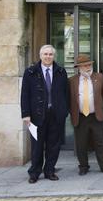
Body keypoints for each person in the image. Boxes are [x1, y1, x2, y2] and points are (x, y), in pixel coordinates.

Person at [21, 45, 70, 183]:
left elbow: (66, 93)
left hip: (56, 115)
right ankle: (34, 172)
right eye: (45, 54)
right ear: (40, 55)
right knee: (37, 146)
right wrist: (26, 114)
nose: (48, 57)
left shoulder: (61, 71)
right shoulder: (30, 72)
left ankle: (49, 170)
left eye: (50, 54)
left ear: (54, 56)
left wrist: (64, 110)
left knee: (53, 145)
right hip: (37, 115)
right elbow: (25, 94)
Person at [69, 55, 103, 175]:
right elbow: (70, 99)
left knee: (100, 142)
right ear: (79, 67)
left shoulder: (99, 77)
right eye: (85, 65)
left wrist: (100, 108)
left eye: (89, 64)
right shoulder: (72, 80)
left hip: (95, 116)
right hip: (80, 117)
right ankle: (83, 166)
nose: (88, 67)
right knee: (81, 144)